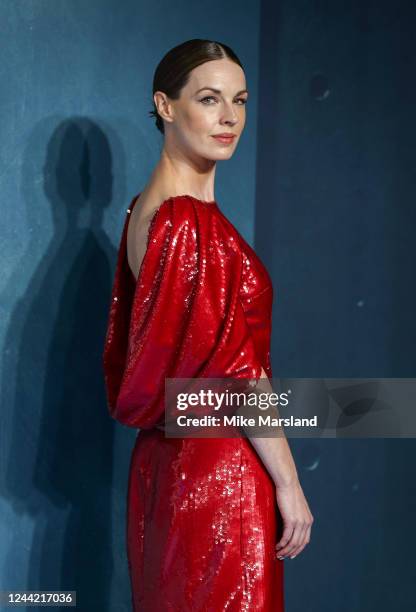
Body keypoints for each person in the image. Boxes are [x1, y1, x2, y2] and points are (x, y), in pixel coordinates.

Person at [102, 39, 313, 611]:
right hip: (219, 473)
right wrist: (290, 486)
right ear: (165, 107)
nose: (229, 118)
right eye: (209, 98)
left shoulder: (147, 210)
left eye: (239, 100)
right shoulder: (187, 224)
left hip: (165, 465)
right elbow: (240, 378)